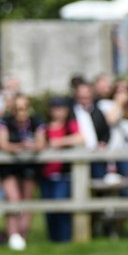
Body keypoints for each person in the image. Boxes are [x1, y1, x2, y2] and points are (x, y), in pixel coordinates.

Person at [1, 94, 45, 250]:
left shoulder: (36, 121)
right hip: (8, 167)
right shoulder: (5, 122)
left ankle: (22, 235)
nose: (21, 112)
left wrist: (26, 147)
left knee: (26, 200)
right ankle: (13, 235)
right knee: (14, 199)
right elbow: (4, 144)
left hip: (28, 166)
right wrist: (22, 146)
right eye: (18, 108)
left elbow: (41, 143)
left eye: (24, 108)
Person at [41, 97, 84, 243]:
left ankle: (65, 238)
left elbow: (80, 138)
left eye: (61, 108)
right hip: (46, 174)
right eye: (55, 108)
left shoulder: (69, 125)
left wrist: (58, 142)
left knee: (62, 206)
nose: (58, 112)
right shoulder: (44, 127)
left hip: (63, 174)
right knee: (49, 209)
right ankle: (53, 239)